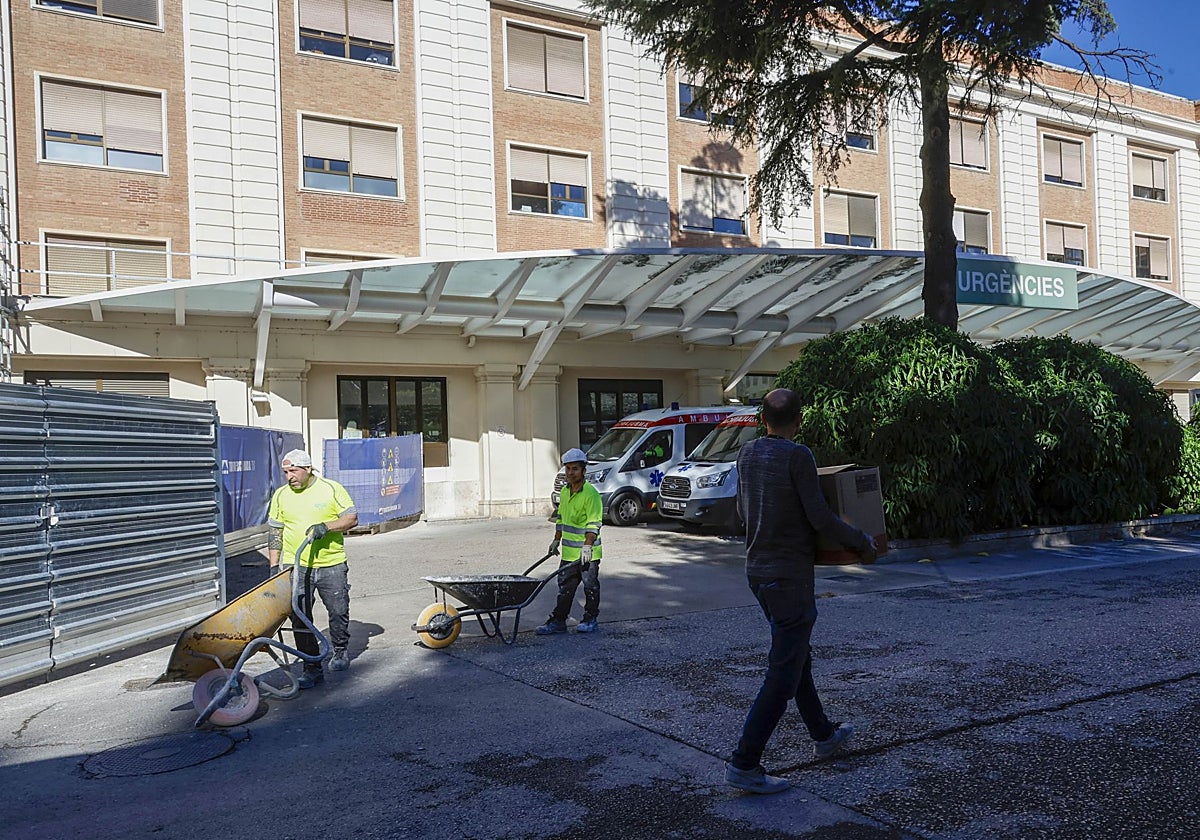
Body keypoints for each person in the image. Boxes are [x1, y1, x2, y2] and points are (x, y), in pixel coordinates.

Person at [724, 389, 877, 794]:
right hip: (789, 578)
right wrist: (861, 540)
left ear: (762, 419)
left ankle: (824, 735)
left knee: (796, 659)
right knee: (782, 674)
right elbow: (820, 517)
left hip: (758, 574)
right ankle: (744, 763)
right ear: (800, 420)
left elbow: (741, 513)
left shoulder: (746, 453)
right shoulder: (798, 456)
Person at [268, 449, 359, 689]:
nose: (289, 476)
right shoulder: (281, 495)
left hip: (331, 563)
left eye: (293, 471)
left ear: (308, 469)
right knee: (299, 616)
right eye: (285, 472)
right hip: (295, 565)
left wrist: (326, 527)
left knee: (338, 610)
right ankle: (311, 668)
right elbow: (275, 531)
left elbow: (352, 518)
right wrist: (274, 566)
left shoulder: (331, 489)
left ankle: (339, 649)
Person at [536, 448, 603, 635]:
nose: (570, 473)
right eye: (568, 469)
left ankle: (590, 619)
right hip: (569, 553)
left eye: (575, 469)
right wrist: (555, 540)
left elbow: (594, 524)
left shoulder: (591, 494)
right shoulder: (565, 492)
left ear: (583, 471)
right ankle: (559, 620)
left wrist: (587, 546)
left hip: (587, 554)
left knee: (590, 587)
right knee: (565, 588)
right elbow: (561, 519)